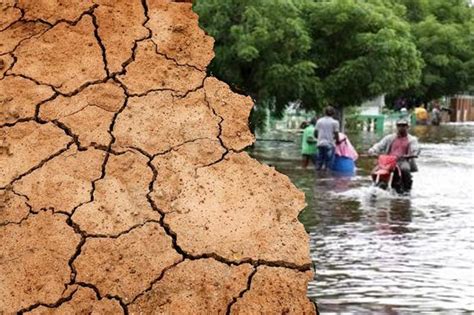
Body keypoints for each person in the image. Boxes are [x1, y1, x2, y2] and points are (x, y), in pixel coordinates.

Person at [368, 119, 420, 192]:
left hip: (402, 160)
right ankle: (375, 184)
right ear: (396, 127)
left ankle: (407, 188)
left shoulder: (412, 139)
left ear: (408, 127)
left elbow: (415, 148)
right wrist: (372, 151)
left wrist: (413, 154)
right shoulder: (389, 138)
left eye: (404, 125)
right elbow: (379, 145)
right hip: (388, 161)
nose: (401, 127)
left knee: (405, 170)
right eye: (399, 125)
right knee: (374, 172)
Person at [315, 106, 340, 170]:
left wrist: (319, 138)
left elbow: (315, 133)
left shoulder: (319, 121)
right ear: (333, 113)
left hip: (320, 144)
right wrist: (338, 141)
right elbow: (336, 133)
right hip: (330, 144)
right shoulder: (335, 122)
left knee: (319, 163)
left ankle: (318, 177)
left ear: (324, 112)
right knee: (328, 164)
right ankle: (327, 178)